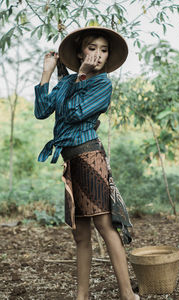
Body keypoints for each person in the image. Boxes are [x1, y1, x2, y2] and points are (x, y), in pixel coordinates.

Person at [34, 26, 140, 300]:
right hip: (72, 162)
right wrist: (48, 71)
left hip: (90, 157)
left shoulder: (101, 83)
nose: (98, 55)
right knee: (80, 235)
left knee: (105, 227)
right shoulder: (69, 82)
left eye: (104, 50)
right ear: (82, 50)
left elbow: (73, 112)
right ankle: (82, 296)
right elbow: (42, 110)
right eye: (92, 48)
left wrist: (80, 73)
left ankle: (128, 294)